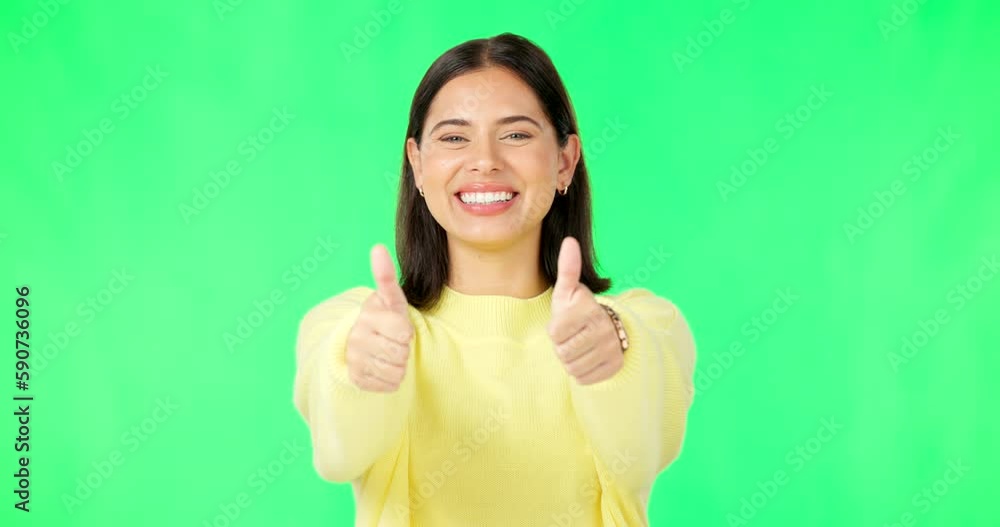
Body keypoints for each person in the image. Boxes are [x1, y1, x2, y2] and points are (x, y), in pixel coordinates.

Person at [293, 32, 697, 526]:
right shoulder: (355, 327)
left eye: (517, 134)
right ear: (417, 165)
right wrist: (360, 373)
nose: (485, 161)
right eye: (454, 137)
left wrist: (611, 356)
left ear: (565, 160)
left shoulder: (645, 327)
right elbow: (338, 457)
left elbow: (637, 456)